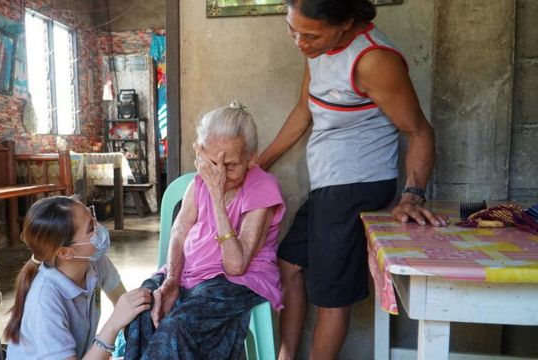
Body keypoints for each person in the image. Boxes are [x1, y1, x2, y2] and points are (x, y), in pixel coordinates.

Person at [256, 1, 449, 359]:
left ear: (345, 22)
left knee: (332, 295)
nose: (299, 42)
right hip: (328, 185)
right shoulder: (317, 45)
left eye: (310, 34)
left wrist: (412, 194)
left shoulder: (374, 60)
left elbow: (419, 131)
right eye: (292, 30)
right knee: (288, 264)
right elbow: (304, 112)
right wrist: (258, 165)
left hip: (356, 186)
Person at [124, 102, 286, 359]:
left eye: (230, 165)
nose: (219, 173)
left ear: (251, 158)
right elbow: (179, 231)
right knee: (141, 308)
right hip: (187, 272)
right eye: (212, 162)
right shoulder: (199, 180)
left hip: (236, 280)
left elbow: (236, 265)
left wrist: (216, 195)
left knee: (177, 328)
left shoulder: (262, 188)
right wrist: (172, 280)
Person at [3, 196, 151, 359]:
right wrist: (113, 325)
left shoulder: (95, 263)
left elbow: (124, 303)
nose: (100, 228)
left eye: (93, 217)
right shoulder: (44, 300)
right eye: (90, 228)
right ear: (65, 252)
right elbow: (120, 316)